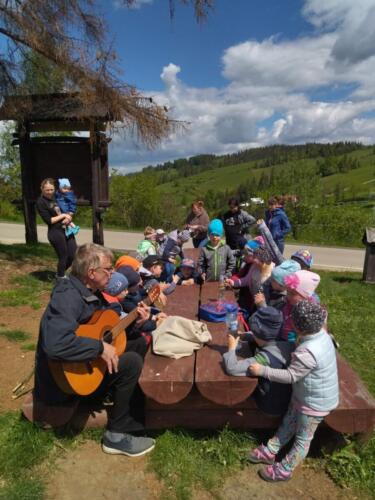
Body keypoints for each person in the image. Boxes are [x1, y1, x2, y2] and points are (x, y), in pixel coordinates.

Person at [34, 243, 155, 457]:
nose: (112, 273)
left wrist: (135, 321)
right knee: (132, 362)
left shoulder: (89, 291)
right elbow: (56, 344)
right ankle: (116, 436)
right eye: (108, 269)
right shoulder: (67, 297)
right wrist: (99, 348)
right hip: (64, 384)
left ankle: (126, 401)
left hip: (83, 368)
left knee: (136, 344)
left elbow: (104, 328)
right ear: (91, 272)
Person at [248, 300, 339, 482]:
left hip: (315, 404)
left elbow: (290, 376)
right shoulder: (321, 332)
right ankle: (272, 449)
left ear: (298, 327)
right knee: (288, 421)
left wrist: (262, 370)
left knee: (302, 439)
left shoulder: (308, 352)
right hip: (304, 395)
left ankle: (286, 469)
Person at [223, 306, 294, 416]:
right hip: (285, 398)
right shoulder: (286, 341)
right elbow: (264, 339)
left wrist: (231, 348)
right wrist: (246, 336)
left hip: (270, 405)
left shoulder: (265, 358)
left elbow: (232, 368)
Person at [36, 178, 77, 279]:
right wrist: (63, 216)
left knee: (73, 255)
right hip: (55, 232)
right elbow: (49, 220)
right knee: (63, 255)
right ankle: (60, 277)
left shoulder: (58, 196)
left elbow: (69, 205)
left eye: (52, 189)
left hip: (67, 230)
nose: (50, 192)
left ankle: (59, 272)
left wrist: (69, 217)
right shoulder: (41, 202)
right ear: (42, 189)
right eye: (47, 190)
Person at [280, 270, 321, 342]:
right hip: (285, 335)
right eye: (287, 292)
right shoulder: (290, 302)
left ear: (305, 296)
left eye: (292, 294)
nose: (287, 296)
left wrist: (295, 340)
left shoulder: (309, 314)